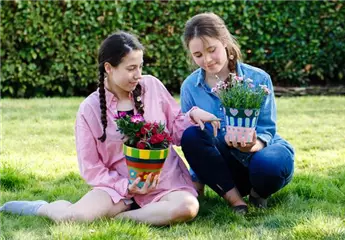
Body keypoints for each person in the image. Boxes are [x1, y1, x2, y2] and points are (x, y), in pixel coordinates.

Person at [0, 31, 221, 225]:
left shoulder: (151, 86)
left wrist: (193, 114)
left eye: (140, 66)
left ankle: (121, 217)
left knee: (187, 208)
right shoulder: (90, 109)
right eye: (131, 68)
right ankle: (42, 207)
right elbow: (92, 168)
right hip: (118, 187)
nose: (138, 74)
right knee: (74, 218)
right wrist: (128, 187)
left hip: (162, 182)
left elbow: (174, 127)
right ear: (109, 68)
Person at [180, 13, 295, 214]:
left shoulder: (258, 79)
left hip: (259, 157)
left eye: (211, 50)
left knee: (270, 165)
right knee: (190, 134)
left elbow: (267, 128)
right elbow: (195, 142)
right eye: (198, 55)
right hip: (224, 171)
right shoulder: (190, 87)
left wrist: (253, 145)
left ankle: (259, 193)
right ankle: (235, 198)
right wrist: (196, 179)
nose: (206, 60)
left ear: (224, 41)